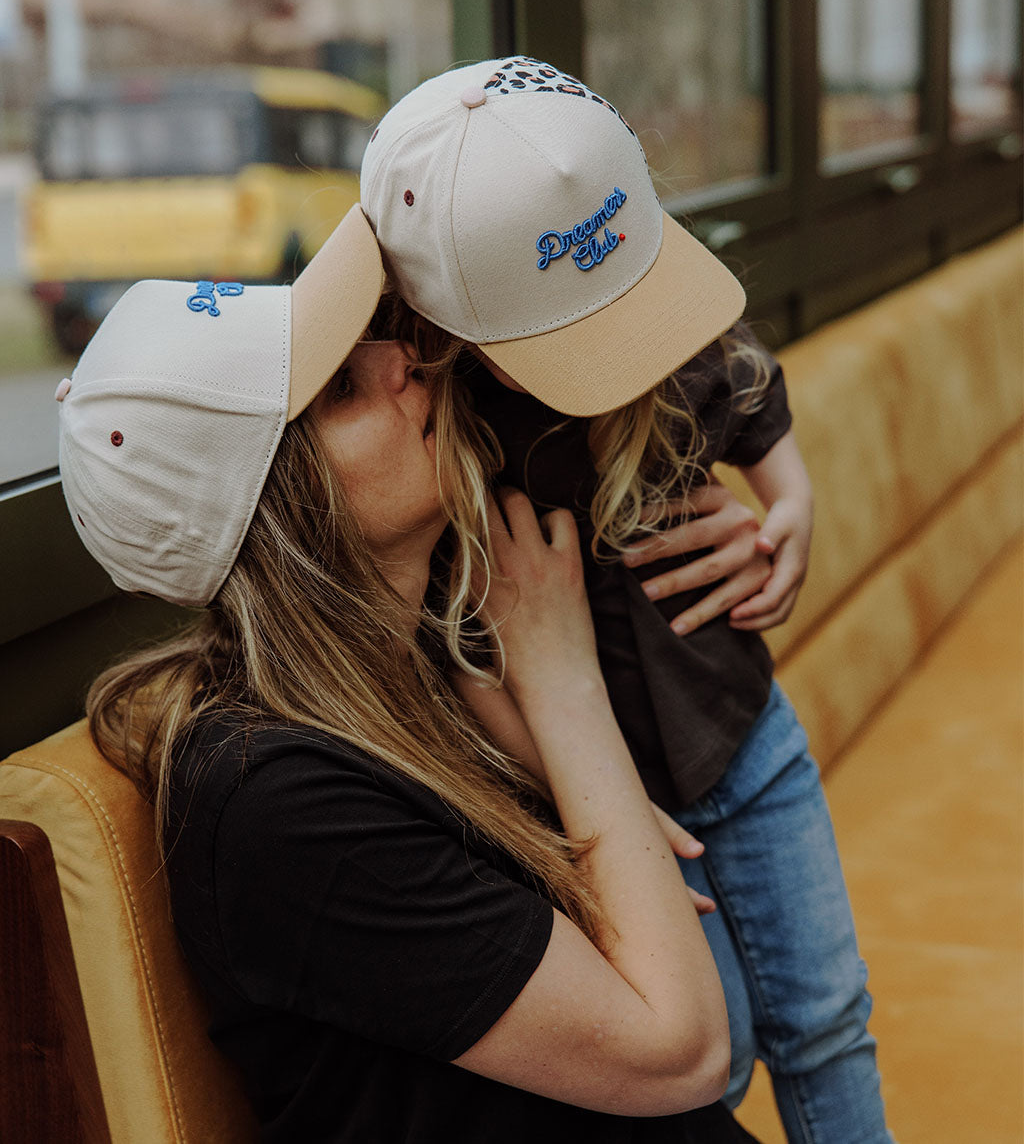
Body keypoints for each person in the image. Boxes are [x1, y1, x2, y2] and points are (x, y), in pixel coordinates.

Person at [55, 204, 762, 1143]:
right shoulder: (276, 801)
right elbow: (685, 1053)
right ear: (283, 509)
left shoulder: (402, 664)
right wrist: (560, 677)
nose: (406, 360)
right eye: (346, 385)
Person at [358, 56, 895, 1144]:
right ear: (449, 331)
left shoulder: (689, 345)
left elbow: (763, 422)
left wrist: (790, 519)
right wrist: (586, 802)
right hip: (598, 802)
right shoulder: (433, 442)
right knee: (719, 1049)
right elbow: (452, 647)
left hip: (748, 739)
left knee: (828, 1017)